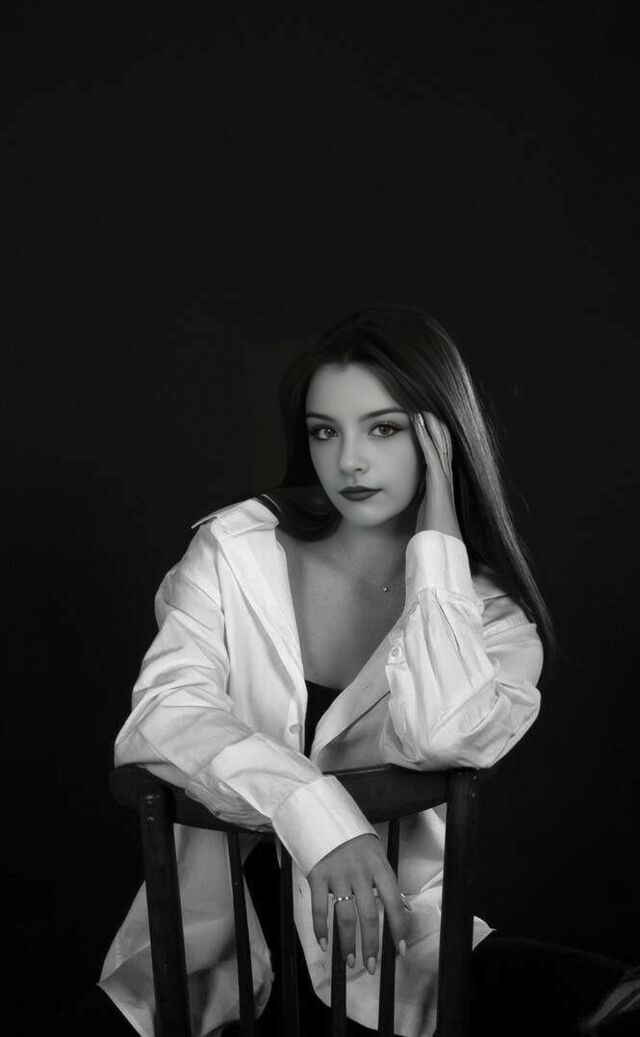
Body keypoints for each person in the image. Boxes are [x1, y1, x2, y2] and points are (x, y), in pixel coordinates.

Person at [89, 306, 637, 1036]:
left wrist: (437, 547)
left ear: (443, 438)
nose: (349, 460)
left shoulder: (491, 620)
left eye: (384, 429)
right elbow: (164, 714)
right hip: (224, 960)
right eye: (325, 431)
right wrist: (316, 815)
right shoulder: (235, 550)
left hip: (397, 955)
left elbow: (441, 735)